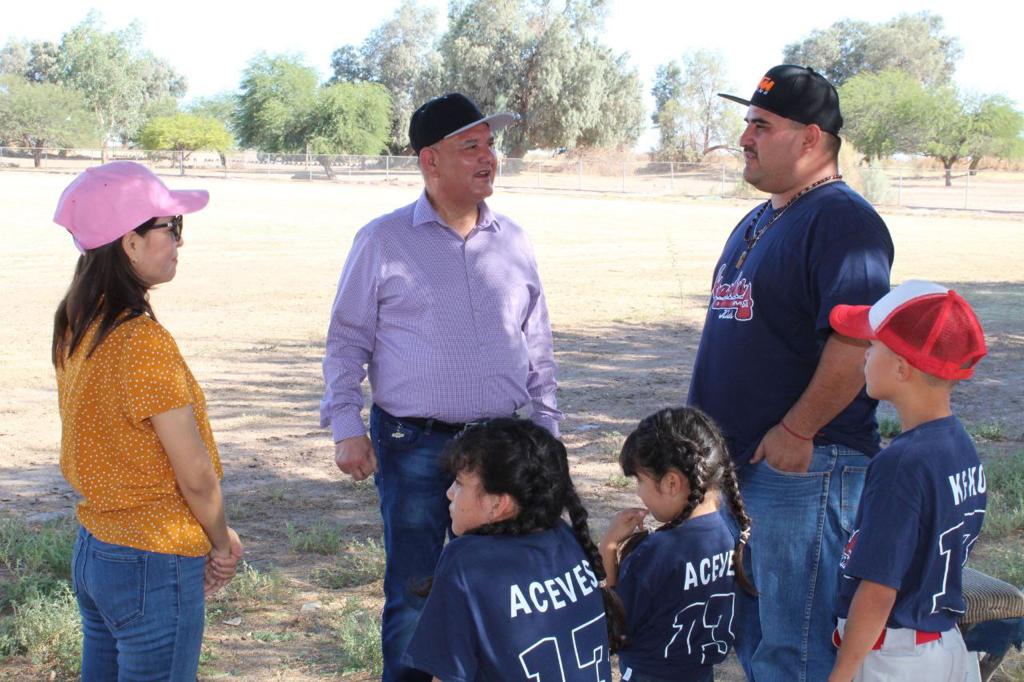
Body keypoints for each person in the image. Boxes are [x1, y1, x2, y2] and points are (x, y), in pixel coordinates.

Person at [320, 92, 561, 681]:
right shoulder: (382, 240)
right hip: (415, 447)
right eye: (470, 147)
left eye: (491, 145)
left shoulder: (514, 239)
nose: (489, 158)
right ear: (430, 161)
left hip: (507, 446)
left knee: (509, 587)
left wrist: (548, 432)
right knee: (416, 590)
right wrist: (348, 427)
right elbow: (346, 340)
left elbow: (537, 342)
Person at [687, 64, 895, 681]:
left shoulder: (842, 220)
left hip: (805, 468)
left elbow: (856, 339)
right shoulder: (764, 217)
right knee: (755, 637)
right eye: (746, 122)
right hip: (749, 468)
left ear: (810, 139)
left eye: (761, 125)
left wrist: (798, 430)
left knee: (795, 647)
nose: (744, 137)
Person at [51, 161, 244, 679]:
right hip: (151, 558)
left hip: (98, 549)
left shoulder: (76, 318)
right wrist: (221, 542)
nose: (179, 241)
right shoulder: (141, 342)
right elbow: (196, 474)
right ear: (128, 243)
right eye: (171, 227)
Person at [827, 281, 987, 682]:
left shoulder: (901, 463)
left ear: (902, 368)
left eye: (874, 345)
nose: (865, 354)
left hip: (896, 659)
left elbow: (878, 590)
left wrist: (841, 674)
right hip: (945, 645)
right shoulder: (958, 444)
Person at [402, 419, 623, 680]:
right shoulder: (564, 535)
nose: (450, 493)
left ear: (498, 504)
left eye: (460, 483)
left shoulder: (466, 561)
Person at [600, 407, 756, 682]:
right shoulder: (732, 533)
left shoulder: (657, 553)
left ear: (672, 482)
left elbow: (612, 630)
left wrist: (609, 548)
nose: (638, 491)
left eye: (640, 480)